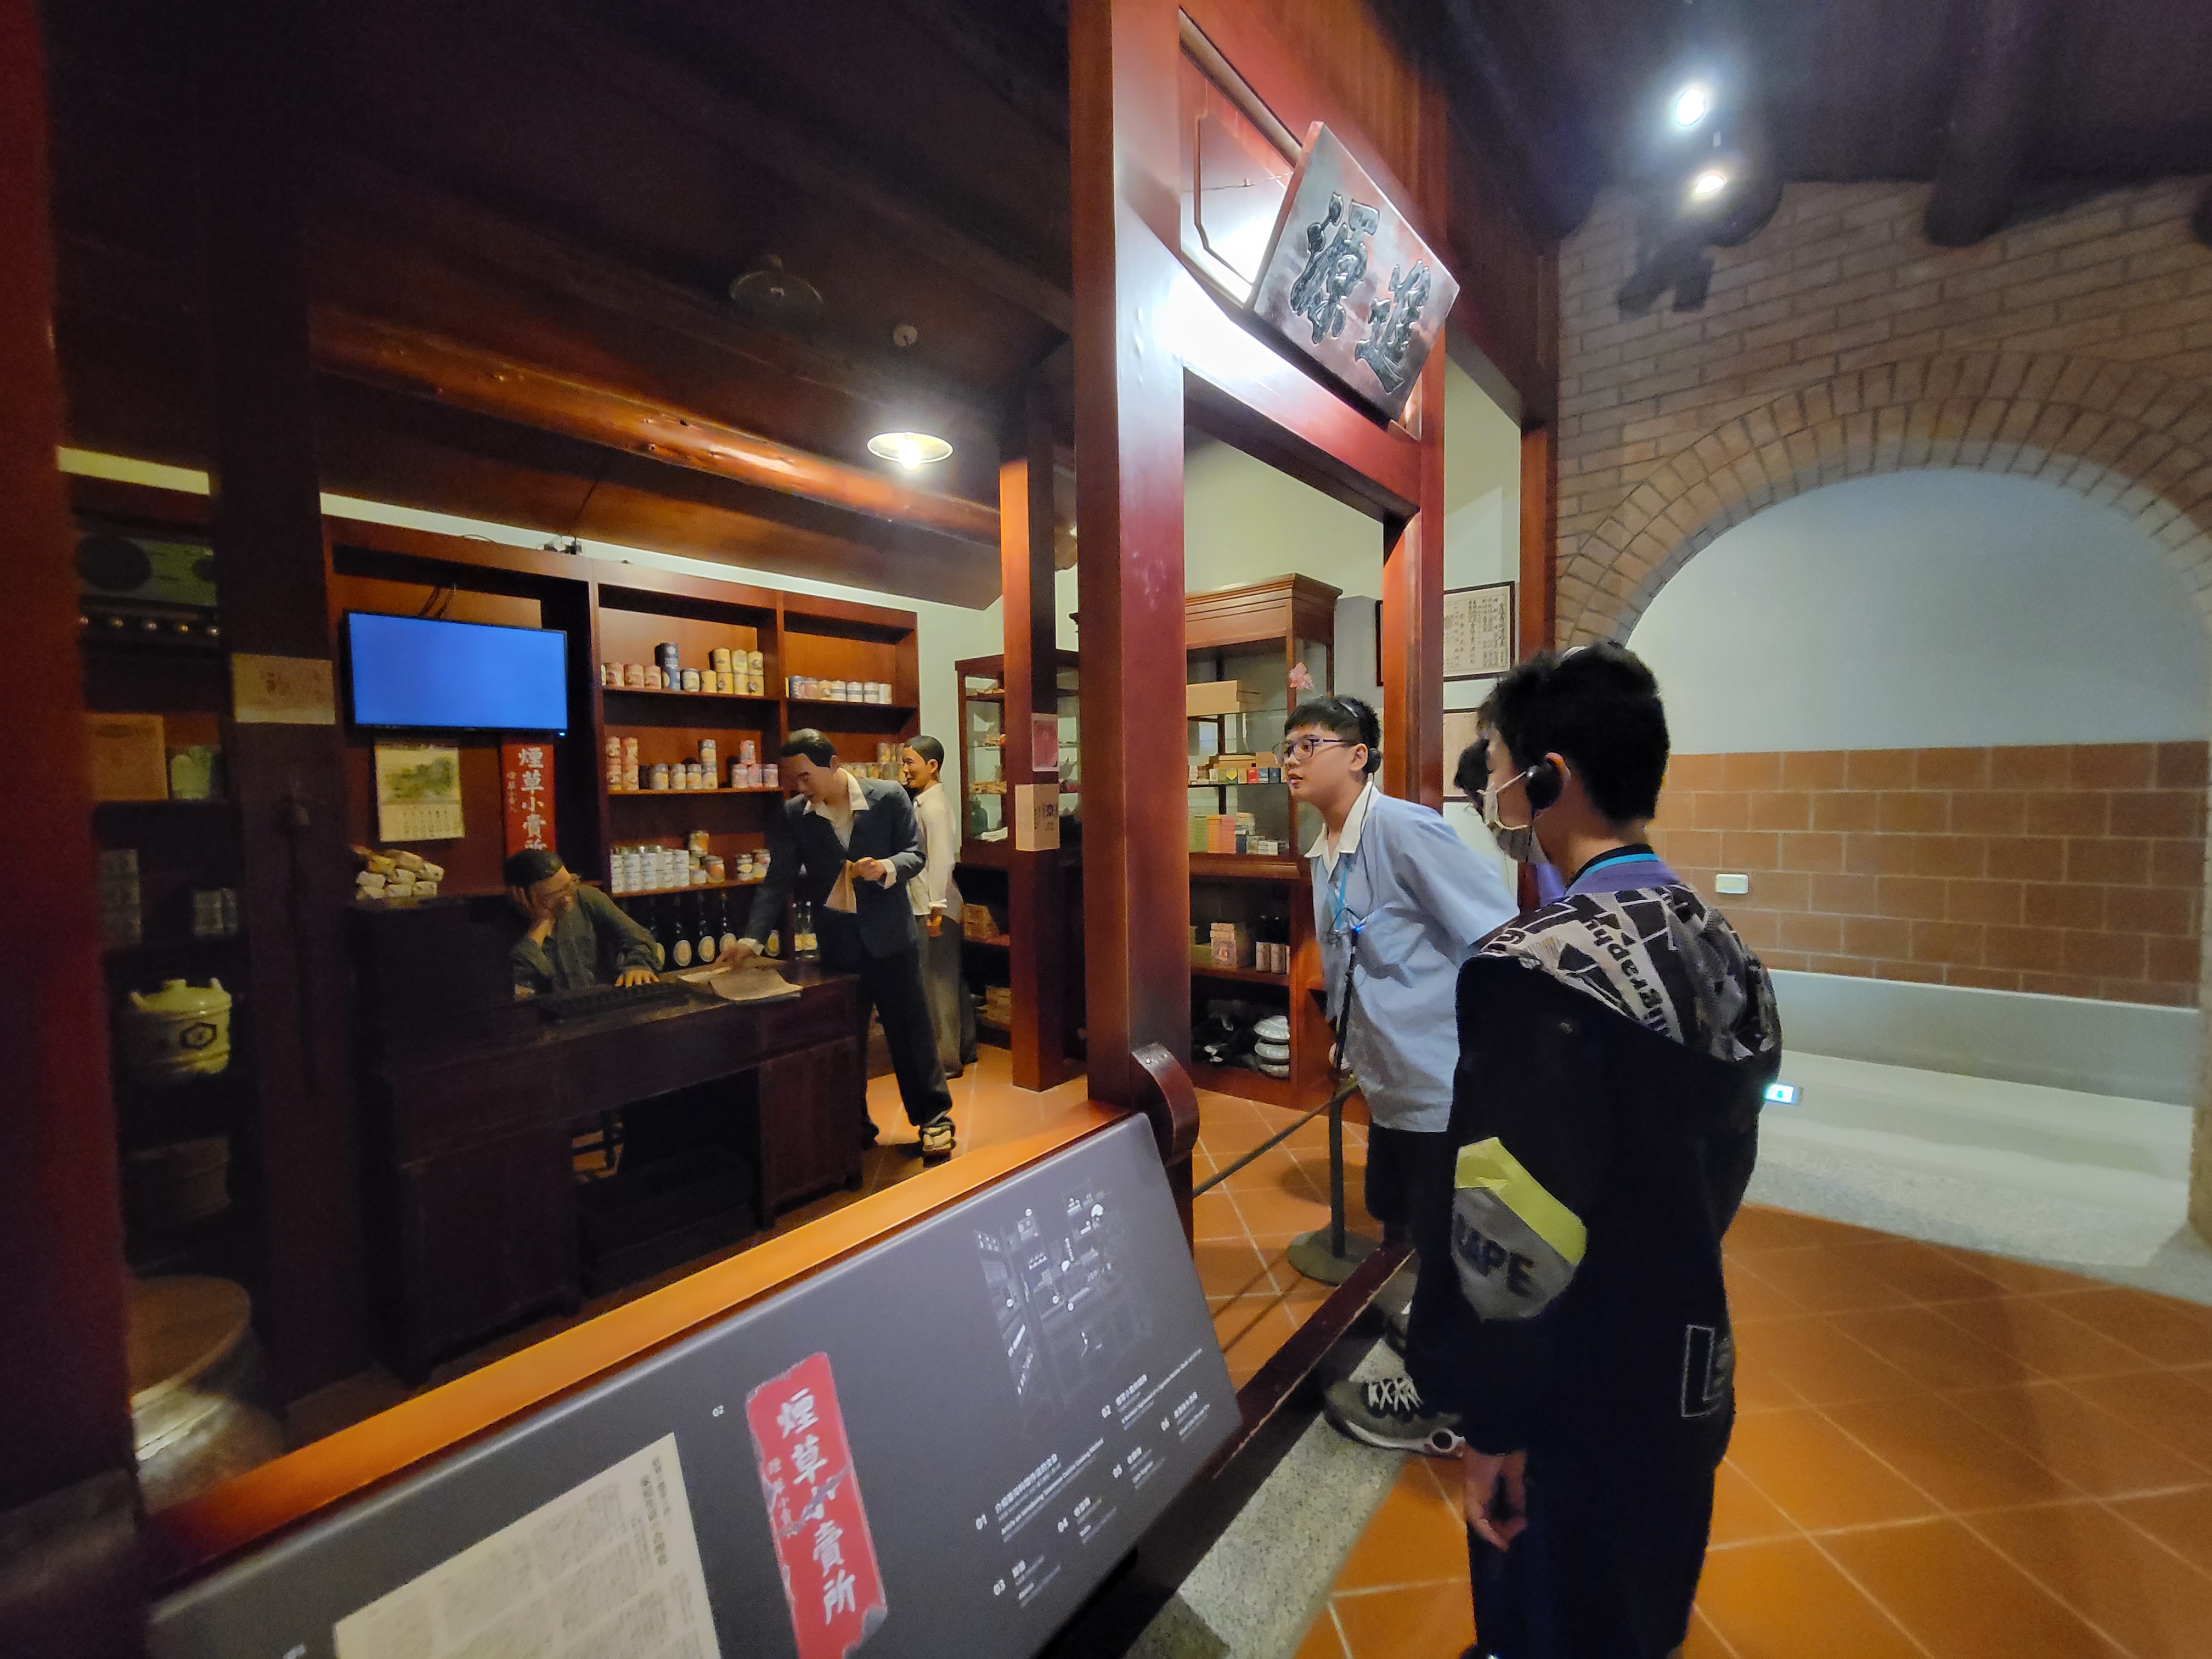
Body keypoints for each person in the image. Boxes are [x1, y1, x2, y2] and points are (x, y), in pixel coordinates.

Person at [1402, 645, 1780, 1659]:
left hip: (1576, 1398)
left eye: (1496, 765)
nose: (1491, 791)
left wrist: (1490, 1414)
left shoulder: (1535, 972)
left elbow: (1506, 1236)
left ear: (1550, 778)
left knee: (1549, 1618)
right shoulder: (1718, 938)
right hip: (1687, 1367)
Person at [1280, 695, 1518, 1457]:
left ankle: (1440, 1400)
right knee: (1410, 1216)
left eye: (1309, 742)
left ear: (1358, 755)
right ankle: (1440, 1341)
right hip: (1391, 1079)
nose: (1291, 757)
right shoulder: (1327, 849)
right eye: (1286, 746)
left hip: (1441, 1077)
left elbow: (1495, 932)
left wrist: (1488, 1052)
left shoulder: (1403, 829)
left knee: (1450, 1238)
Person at [730, 730, 957, 1160]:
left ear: (833, 765)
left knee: (912, 1035)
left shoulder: (889, 797)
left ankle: (934, 1120)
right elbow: (778, 880)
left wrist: (885, 867)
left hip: (891, 940)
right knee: (844, 1042)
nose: (800, 787)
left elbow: (916, 854)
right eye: (794, 780)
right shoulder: (797, 815)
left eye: (805, 776)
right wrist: (751, 939)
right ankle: (852, 1128)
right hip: (838, 948)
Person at [901, 736, 976, 1079]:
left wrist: (935, 909)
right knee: (948, 979)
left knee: (938, 983)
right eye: (903, 763)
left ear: (932, 766)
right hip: (931, 902)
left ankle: (947, 1061)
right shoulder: (924, 802)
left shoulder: (933, 806)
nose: (905, 770)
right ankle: (965, 1047)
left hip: (935, 905)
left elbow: (942, 860)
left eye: (910, 763)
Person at [504, 848, 659, 996]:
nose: (566, 900)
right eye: (553, 896)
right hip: (548, 1016)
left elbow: (640, 937)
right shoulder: (504, 927)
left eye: (568, 886)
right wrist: (541, 924)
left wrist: (638, 966)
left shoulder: (586, 899)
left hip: (600, 1003)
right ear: (522, 896)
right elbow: (517, 983)